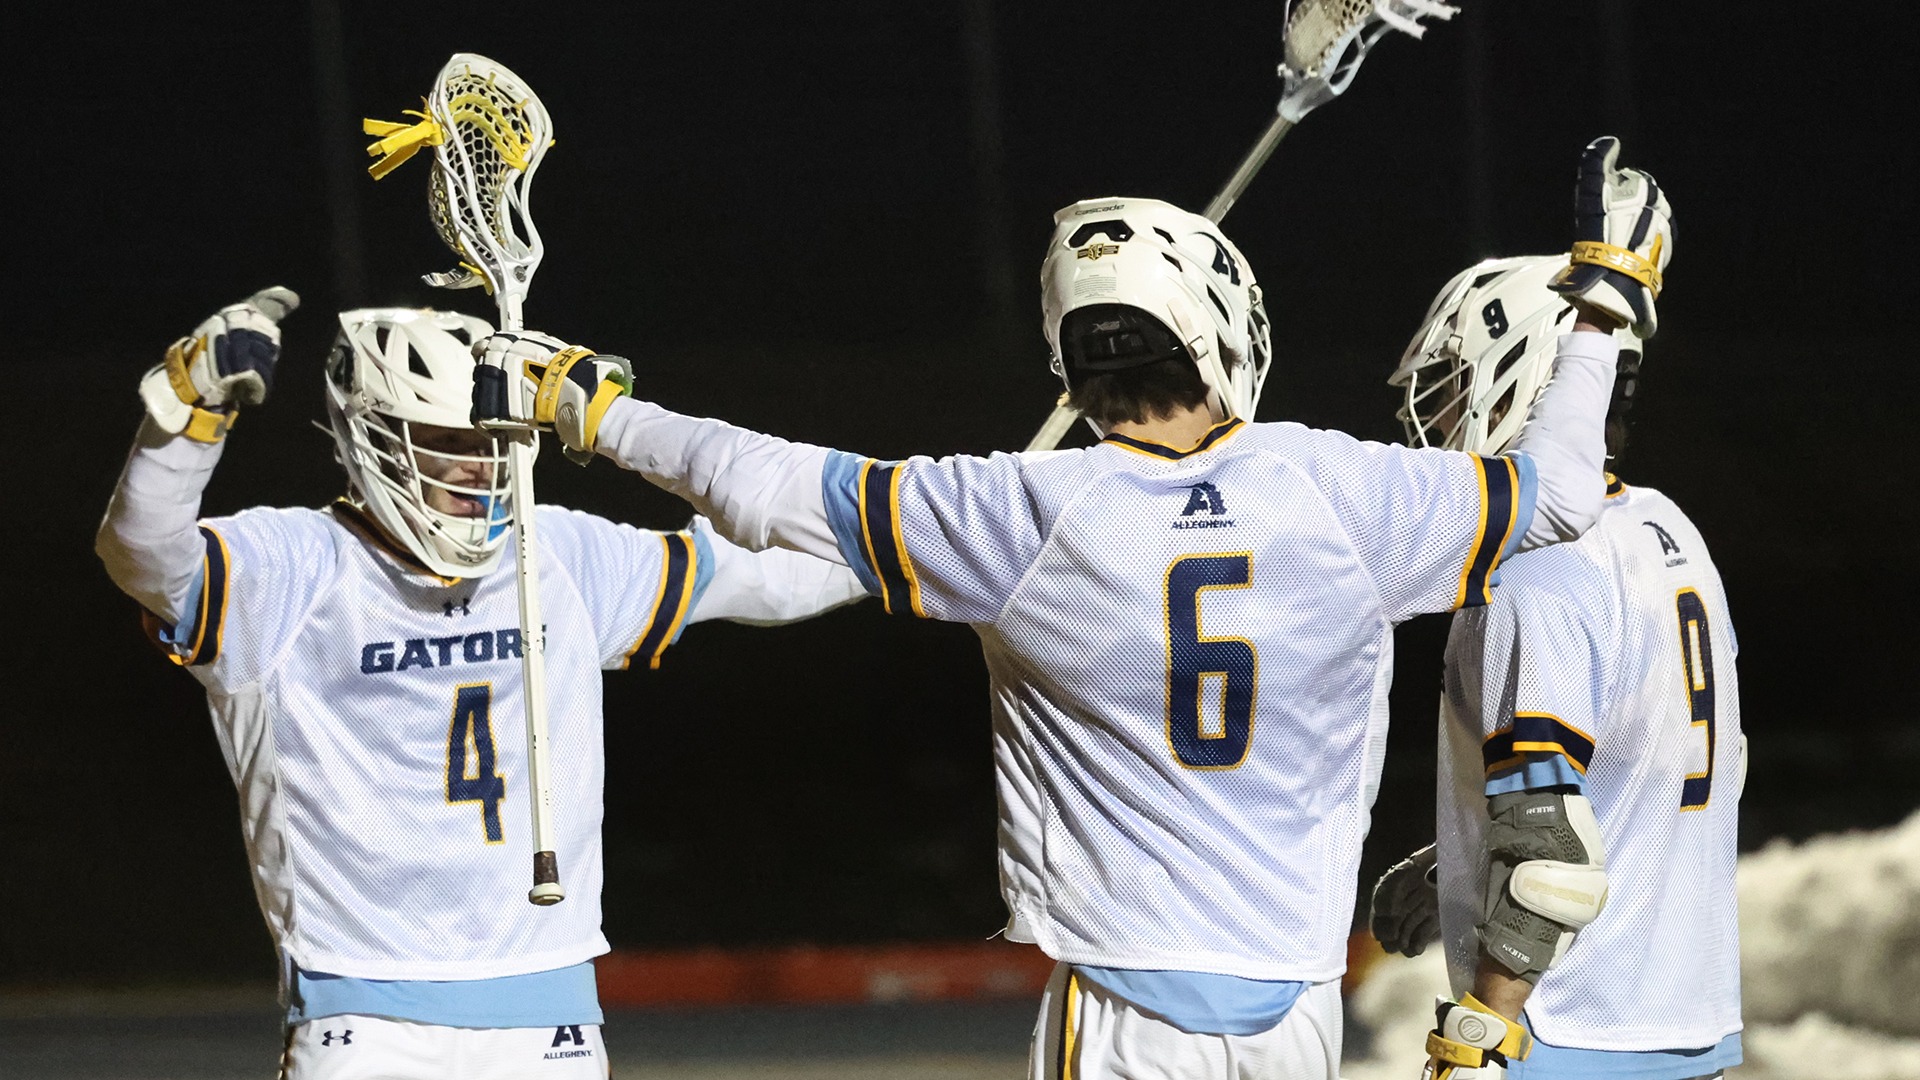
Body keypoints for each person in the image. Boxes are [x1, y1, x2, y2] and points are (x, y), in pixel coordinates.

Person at [472, 137, 1668, 1080]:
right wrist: (1605, 301)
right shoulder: (1351, 490)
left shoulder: (1020, 515)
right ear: (1224, 326)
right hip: (1298, 1005)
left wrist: (590, 408)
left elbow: (772, 485)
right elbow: (1561, 491)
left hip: (1129, 1005)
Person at [96, 299, 866, 1079]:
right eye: (444, 441)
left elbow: (763, 574)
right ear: (369, 436)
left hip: (549, 1009)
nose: (475, 464)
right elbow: (144, 555)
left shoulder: (554, 552)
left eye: (489, 441)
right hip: (363, 1011)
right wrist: (184, 417)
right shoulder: (292, 565)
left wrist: (915, 545)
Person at [1368, 251, 1742, 1078]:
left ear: (1530, 375)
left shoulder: (1528, 574)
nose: (1432, 420)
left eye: (1454, 387)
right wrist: (1460, 861)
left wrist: (1482, 1031)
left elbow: (1552, 856)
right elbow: (1643, 765)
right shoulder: (1667, 529)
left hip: (1566, 1032)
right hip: (1687, 1022)